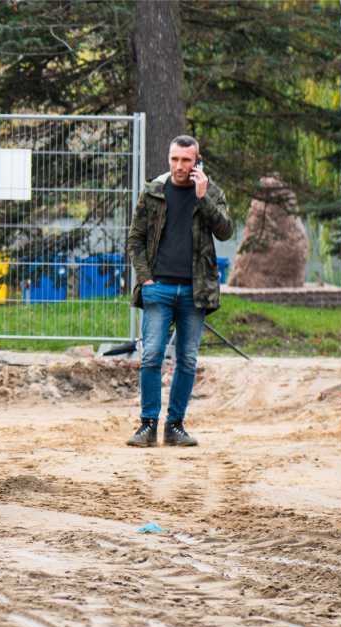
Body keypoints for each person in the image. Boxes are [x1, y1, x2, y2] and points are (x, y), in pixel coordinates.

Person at [125, 135, 235, 448]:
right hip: (157, 288)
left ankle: (175, 426)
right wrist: (145, 278)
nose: (179, 166)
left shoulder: (211, 192)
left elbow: (225, 231)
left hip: (195, 291)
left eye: (186, 160)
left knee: (187, 359)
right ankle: (147, 425)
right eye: (174, 159)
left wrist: (203, 198)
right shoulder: (154, 191)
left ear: (196, 161)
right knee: (152, 356)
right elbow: (135, 239)